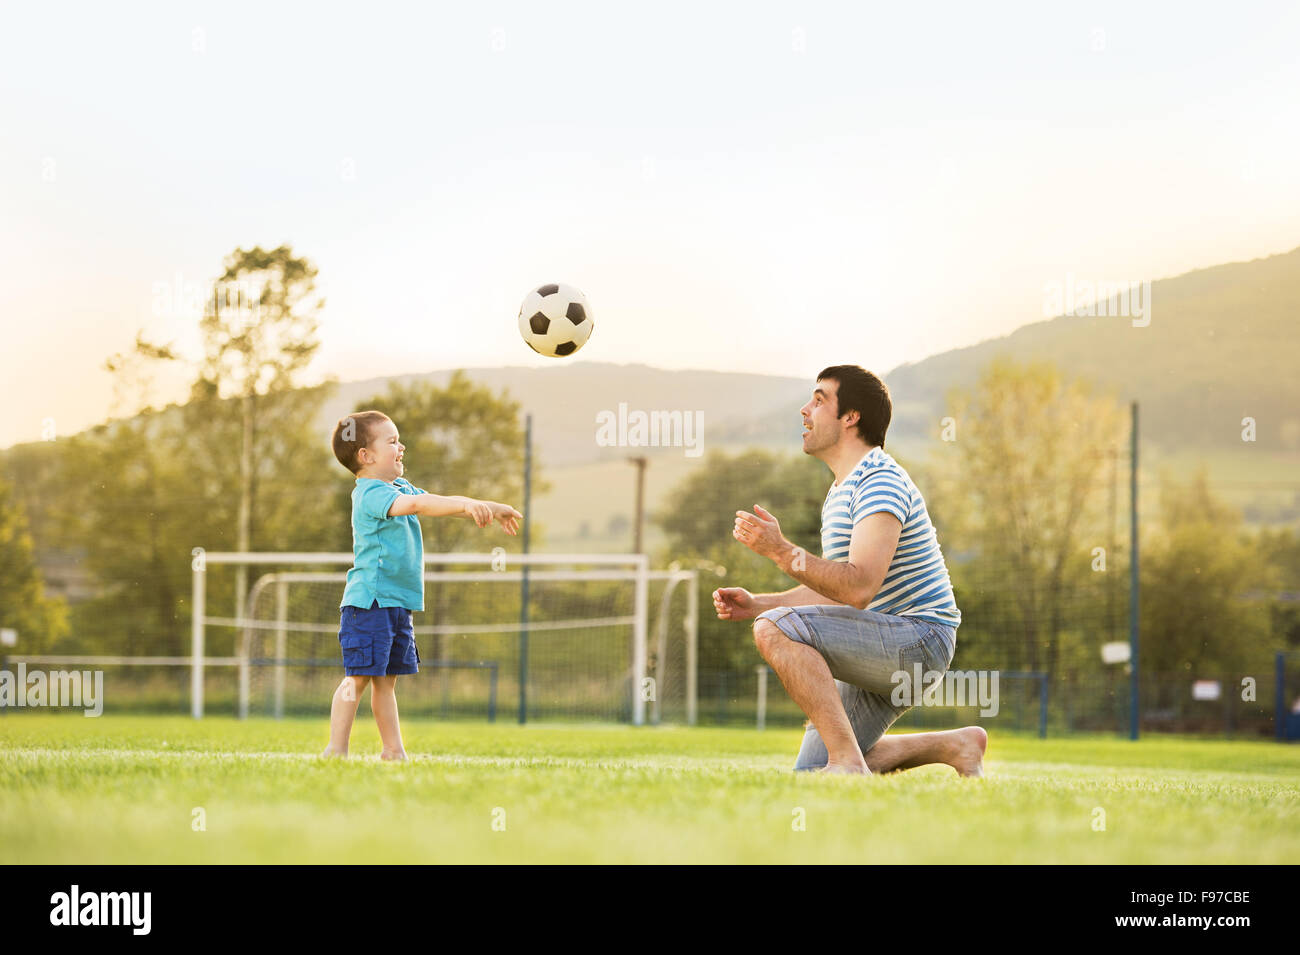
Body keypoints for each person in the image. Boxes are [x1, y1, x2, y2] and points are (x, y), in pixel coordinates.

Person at [713, 365, 987, 775]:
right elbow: (836, 589)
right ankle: (955, 746)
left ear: (851, 416)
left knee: (775, 628)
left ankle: (847, 764)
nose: (805, 410)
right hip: (879, 641)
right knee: (809, 771)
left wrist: (780, 551)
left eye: (820, 399)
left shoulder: (880, 480)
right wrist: (757, 603)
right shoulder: (842, 489)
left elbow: (858, 587)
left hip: (917, 641)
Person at [322, 410, 522, 759]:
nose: (402, 446)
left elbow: (442, 504)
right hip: (370, 602)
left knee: (386, 682)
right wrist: (467, 502)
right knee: (357, 678)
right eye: (392, 441)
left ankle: (393, 751)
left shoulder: (399, 486)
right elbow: (419, 505)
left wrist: (490, 508)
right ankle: (336, 748)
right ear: (366, 457)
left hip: (396, 603)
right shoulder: (370, 493)